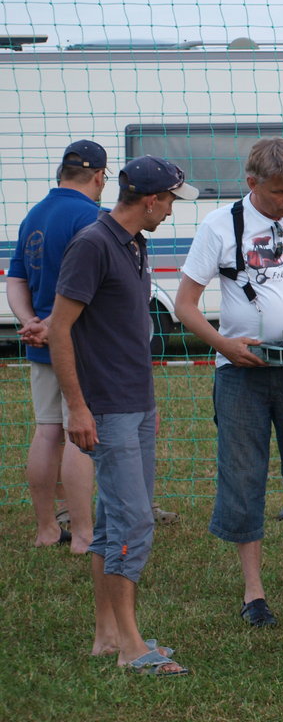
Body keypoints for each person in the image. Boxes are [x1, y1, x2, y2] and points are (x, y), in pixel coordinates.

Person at [174, 137, 283, 627]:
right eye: (277, 193)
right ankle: (254, 593)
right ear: (251, 183)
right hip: (241, 375)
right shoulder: (220, 225)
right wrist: (225, 346)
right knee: (244, 475)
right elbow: (185, 304)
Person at [49, 154, 197, 675]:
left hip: (136, 405)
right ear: (151, 200)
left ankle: (107, 636)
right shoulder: (91, 244)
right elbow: (59, 328)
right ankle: (134, 649)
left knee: (115, 522)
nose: (173, 212)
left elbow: (129, 335)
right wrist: (78, 407)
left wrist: (147, 404)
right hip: (105, 409)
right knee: (135, 521)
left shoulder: (134, 243)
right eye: (172, 201)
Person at [7, 140, 105, 553]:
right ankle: (83, 534)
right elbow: (93, 287)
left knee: (47, 431)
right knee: (80, 434)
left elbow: (14, 280)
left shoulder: (34, 214)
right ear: (100, 176)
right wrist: (53, 325)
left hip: (39, 341)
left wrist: (31, 321)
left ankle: (47, 528)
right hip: (77, 342)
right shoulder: (92, 217)